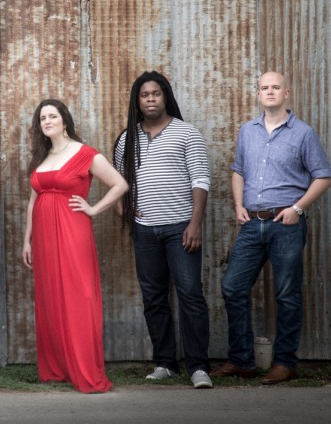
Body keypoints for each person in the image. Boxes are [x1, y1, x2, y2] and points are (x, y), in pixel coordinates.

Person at [212, 72, 331, 385]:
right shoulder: (247, 131)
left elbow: (323, 176)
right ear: (258, 94)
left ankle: (285, 362)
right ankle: (242, 361)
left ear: (286, 93)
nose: (269, 92)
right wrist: (238, 205)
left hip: (286, 224)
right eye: (264, 88)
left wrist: (297, 209)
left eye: (275, 87)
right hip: (252, 223)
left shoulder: (303, 133)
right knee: (233, 287)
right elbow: (238, 171)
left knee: (286, 294)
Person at [113, 72, 213, 389]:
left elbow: (200, 180)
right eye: (145, 95)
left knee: (190, 295)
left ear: (165, 96)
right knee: (154, 298)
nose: (151, 99)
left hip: (181, 228)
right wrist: (126, 214)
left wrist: (195, 223)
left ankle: (198, 367)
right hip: (145, 231)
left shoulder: (187, 133)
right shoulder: (127, 138)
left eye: (157, 93)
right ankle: (166, 363)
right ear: (138, 101)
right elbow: (120, 184)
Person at [21, 99, 127, 394]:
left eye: (52, 116)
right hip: (43, 236)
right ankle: (58, 368)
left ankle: (84, 369)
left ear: (64, 120)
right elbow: (32, 202)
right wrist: (26, 239)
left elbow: (120, 184)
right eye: (42, 118)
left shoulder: (85, 153)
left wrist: (94, 209)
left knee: (79, 295)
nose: (47, 121)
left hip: (72, 230)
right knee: (51, 296)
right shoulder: (41, 157)